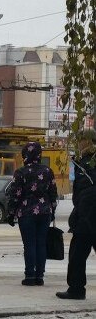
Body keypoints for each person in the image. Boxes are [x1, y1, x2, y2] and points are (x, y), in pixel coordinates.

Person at [6, 141, 58, 286]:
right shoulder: (48, 171)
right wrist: (52, 210)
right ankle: (40, 276)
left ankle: (30, 276)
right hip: (45, 212)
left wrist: (11, 213)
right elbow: (53, 193)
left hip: (26, 212)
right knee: (41, 244)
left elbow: (15, 194)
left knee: (29, 245)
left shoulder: (20, 172)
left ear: (25, 154)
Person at [57, 128, 96, 300]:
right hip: (86, 214)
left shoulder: (87, 163)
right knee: (77, 254)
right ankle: (76, 288)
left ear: (87, 141)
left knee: (77, 255)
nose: (79, 143)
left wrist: (80, 211)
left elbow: (86, 191)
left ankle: (76, 289)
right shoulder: (83, 162)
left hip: (87, 216)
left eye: (80, 140)